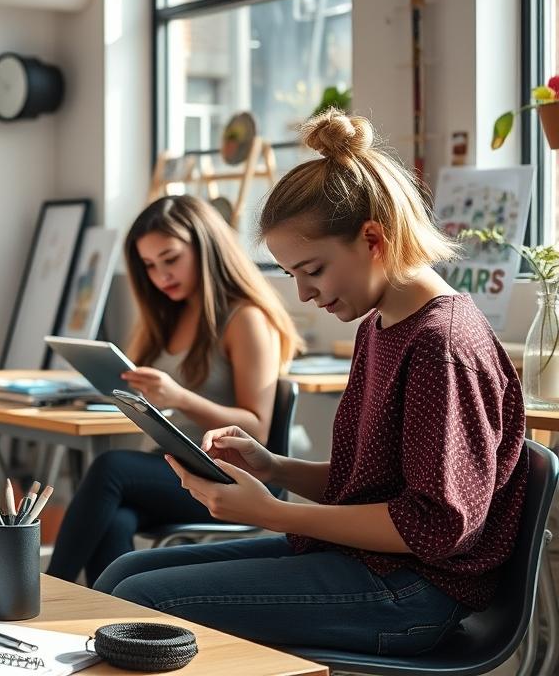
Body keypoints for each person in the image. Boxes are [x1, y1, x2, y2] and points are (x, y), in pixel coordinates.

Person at [97, 110, 527, 656]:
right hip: (369, 565)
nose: (302, 294)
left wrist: (271, 512)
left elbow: (436, 527)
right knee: (122, 574)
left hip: (415, 593)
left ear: (373, 239)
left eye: (313, 270)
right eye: (293, 275)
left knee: (141, 600)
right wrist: (272, 466)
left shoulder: (440, 345)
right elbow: (369, 488)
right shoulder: (380, 325)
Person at [47, 195, 301, 583]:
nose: (161, 275)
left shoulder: (245, 319)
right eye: (149, 266)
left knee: (109, 468)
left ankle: (47, 592)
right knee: (114, 519)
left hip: (226, 475)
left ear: (204, 248)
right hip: (173, 466)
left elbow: (258, 428)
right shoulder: (170, 315)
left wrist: (178, 397)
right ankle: (118, 627)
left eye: (171, 258)